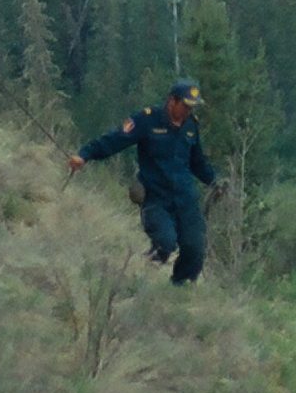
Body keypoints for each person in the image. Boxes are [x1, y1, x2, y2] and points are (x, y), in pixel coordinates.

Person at [68, 79, 224, 284]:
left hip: (185, 198)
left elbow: (197, 162)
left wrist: (214, 181)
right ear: (172, 101)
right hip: (156, 197)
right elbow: (114, 140)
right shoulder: (147, 120)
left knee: (195, 247)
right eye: (185, 106)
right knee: (166, 243)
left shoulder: (191, 126)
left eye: (191, 107)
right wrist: (84, 155)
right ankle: (137, 274)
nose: (188, 111)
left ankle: (180, 286)